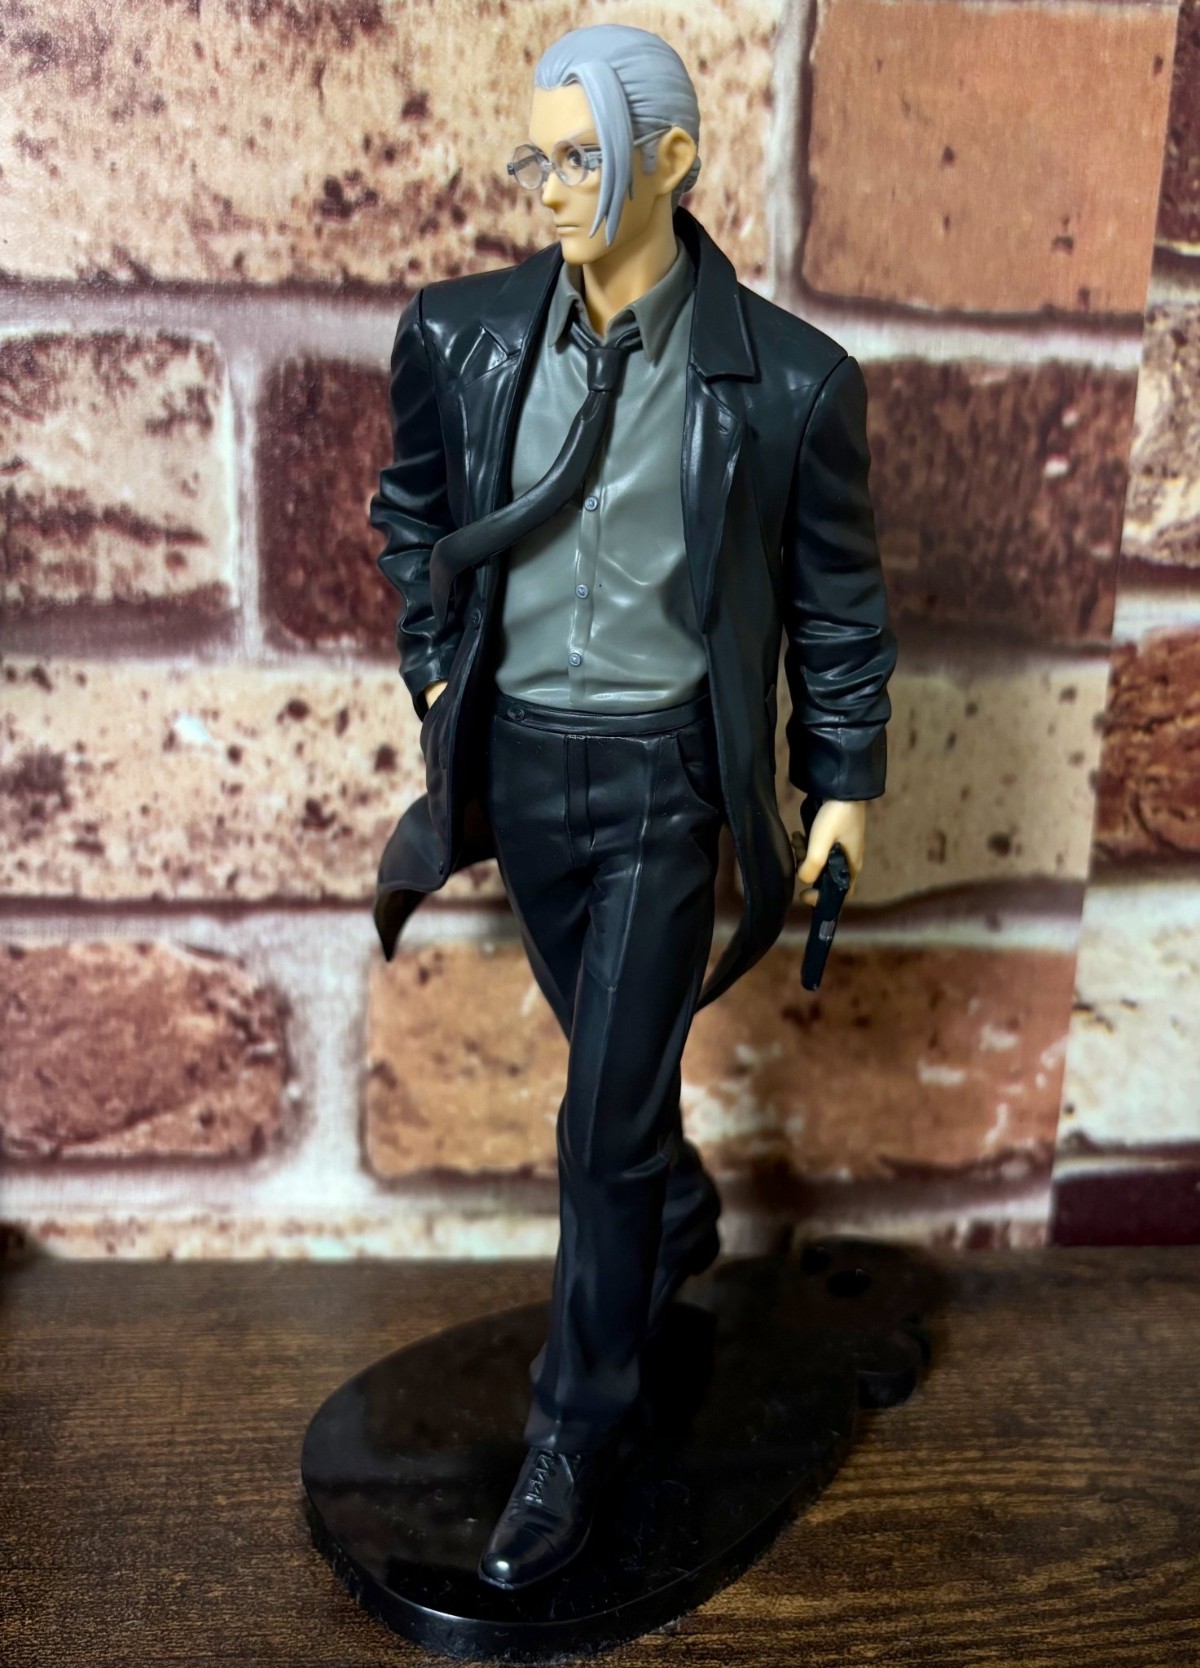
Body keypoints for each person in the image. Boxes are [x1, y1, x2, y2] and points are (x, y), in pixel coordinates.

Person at [368, 22, 897, 1591]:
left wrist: (841, 780)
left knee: (596, 1121)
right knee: (615, 1070)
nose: (549, 187)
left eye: (582, 157)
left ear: (670, 160)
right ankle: (672, 1221)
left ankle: (573, 1430)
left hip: (667, 783)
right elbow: (414, 514)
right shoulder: (462, 339)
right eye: (536, 156)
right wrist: (434, 676)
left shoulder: (788, 382)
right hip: (524, 770)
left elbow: (838, 604)